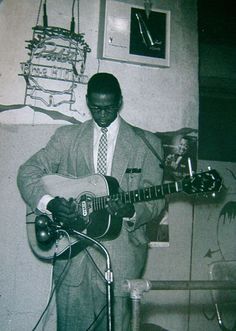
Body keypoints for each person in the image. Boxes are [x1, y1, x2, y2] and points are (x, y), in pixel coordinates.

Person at [17, 72, 165, 331]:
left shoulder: (146, 144)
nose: (102, 114)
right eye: (96, 107)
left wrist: (131, 210)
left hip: (121, 260)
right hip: (72, 257)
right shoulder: (66, 138)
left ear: (119, 102)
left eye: (108, 107)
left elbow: (156, 200)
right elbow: (27, 172)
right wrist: (49, 203)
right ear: (87, 101)